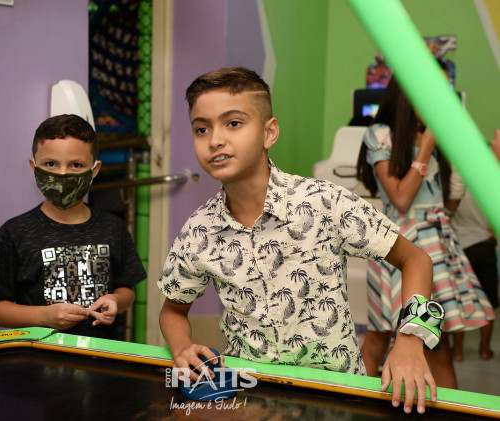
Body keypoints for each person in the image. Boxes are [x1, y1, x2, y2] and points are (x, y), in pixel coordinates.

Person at [159, 67, 444, 414]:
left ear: (269, 132)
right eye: (201, 129)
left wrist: (411, 340)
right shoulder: (198, 230)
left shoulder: (323, 202)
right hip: (251, 401)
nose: (215, 139)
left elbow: (416, 260)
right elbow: (173, 309)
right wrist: (182, 347)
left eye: (233, 123)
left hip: (335, 400)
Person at [356, 75, 496, 389]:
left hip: (438, 245)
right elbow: (401, 199)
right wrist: (426, 148)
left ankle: (442, 410)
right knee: (379, 337)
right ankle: (351, 407)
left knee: (436, 344)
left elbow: (449, 204)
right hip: (398, 246)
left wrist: (458, 163)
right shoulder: (381, 134)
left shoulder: (436, 136)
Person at [0, 114, 146, 340]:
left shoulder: (113, 227)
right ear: (34, 167)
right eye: (51, 164)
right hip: (38, 355)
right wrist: (44, 316)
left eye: (76, 165)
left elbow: (127, 290)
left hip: (101, 353)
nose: (63, 174)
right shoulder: (15, 232)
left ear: (94, 170)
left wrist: (115, 300)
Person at [449, 129, 500, 361]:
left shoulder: (458, 181)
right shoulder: (491, 181)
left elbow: (449, 210)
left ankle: (458, 352)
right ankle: (484, 350)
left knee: (461, 301)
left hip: (460, 246)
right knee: (488, 301)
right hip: (485, 246)